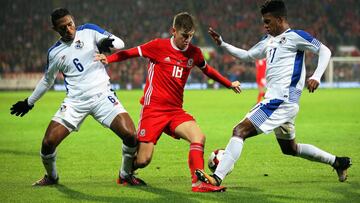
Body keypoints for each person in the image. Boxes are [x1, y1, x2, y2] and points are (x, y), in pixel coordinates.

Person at [195, 0, 351, 188]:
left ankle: (217, 178)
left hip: (280, 101)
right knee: (290, 149)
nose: (265, 26)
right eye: (264, 22)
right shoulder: (267, 41)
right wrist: (223, 44)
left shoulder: (295, 36)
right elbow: (247, 55)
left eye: (268, 21)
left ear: (280, 19)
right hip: (282, 103)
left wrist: (317, 76)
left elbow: (325, 50)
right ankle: (338, 162)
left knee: (239, 130)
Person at [96, 12, 241, 192]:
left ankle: (198, 183)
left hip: (174, 112)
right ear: (173, 31)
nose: (187, 40)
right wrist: (108, 59)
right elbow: (130, 53)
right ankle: (125, 173)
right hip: (153, 110)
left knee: (199, 137)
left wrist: (229, 84)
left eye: (191, 36)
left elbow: (208, 70)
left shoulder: (194, 53)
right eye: (184, 36)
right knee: (143, 160)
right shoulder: (158, 46)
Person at [10, 8, 146, 186]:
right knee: (48, 143)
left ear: (73, 20)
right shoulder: (54, 52)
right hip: (75, 102)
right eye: (63, 28)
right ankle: (52, 177)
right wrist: (29, 102)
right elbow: (47, 80)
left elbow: (120, 43)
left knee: (130, 135)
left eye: (70, 24)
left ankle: (125, 174)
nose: (68, 30)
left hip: (102, 96)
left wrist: (107, 41)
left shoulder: (88, 31)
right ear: (55, 30)